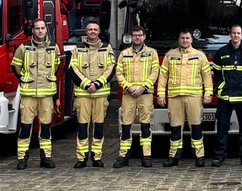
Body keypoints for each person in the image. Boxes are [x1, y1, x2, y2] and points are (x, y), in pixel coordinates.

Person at [157, 29, 214, 167]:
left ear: (192, 40)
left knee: (196, 127)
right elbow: (163, 76)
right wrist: (160, 94)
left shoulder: (200, 55)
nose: (185, 40)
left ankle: (199, 156)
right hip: (175, 97)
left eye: (187, 38)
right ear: (178, 39)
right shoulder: (170, 55)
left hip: (194, 97)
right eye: (182, 38)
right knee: (175, 128)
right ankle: (174, 156)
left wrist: (208, 94)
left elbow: (207, 76)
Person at [11, 18, 60, 169]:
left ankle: (46, 158)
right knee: (25, 128)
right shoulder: (23, 48)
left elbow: (56, 67)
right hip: (28, 95)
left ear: (46, 30)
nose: (40, 31)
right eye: (37, 28)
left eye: (42, 28)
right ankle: (22, 159)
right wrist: (25, 80)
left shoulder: (54, 47)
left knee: (45, 128)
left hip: (46, 95)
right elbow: (15, 67)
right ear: (32, 30)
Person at [211, 24, 242, 167]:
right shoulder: (221, 52)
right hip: (225, 98)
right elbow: (218, 74)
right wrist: (222, 87)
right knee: (222, 128)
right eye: (234, 33)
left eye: (238, 33)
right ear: (230, 35)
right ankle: (219, 156)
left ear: (241, 35)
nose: (236, 35)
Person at [69, 21, 115, 168]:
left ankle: (97, 156)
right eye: (90, 29)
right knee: (82, 126)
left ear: (99, 31)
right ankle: (81, 158)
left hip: (100, 94)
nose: (93, 31)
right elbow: (72, 68)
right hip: (83, 94)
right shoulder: (78, 48)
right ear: (86, 32)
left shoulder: (107, 48)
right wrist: (86, 84)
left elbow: (111, 69)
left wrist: (97, 84)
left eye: (95, 29)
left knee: (99, 126)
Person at [114, 26, 160, 168]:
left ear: (144, 37)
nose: (137, 37)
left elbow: (155, 72)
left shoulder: (152, 53)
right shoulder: (124, 53)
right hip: (129, 94)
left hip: (145, 94)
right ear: (131, 37)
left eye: (140, 35)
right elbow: (119, 73)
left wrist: (142, 87)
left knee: (145, 126)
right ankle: (124, 156)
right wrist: (128, 87)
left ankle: (146, 156)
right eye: (135, 35)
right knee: (126, 126)